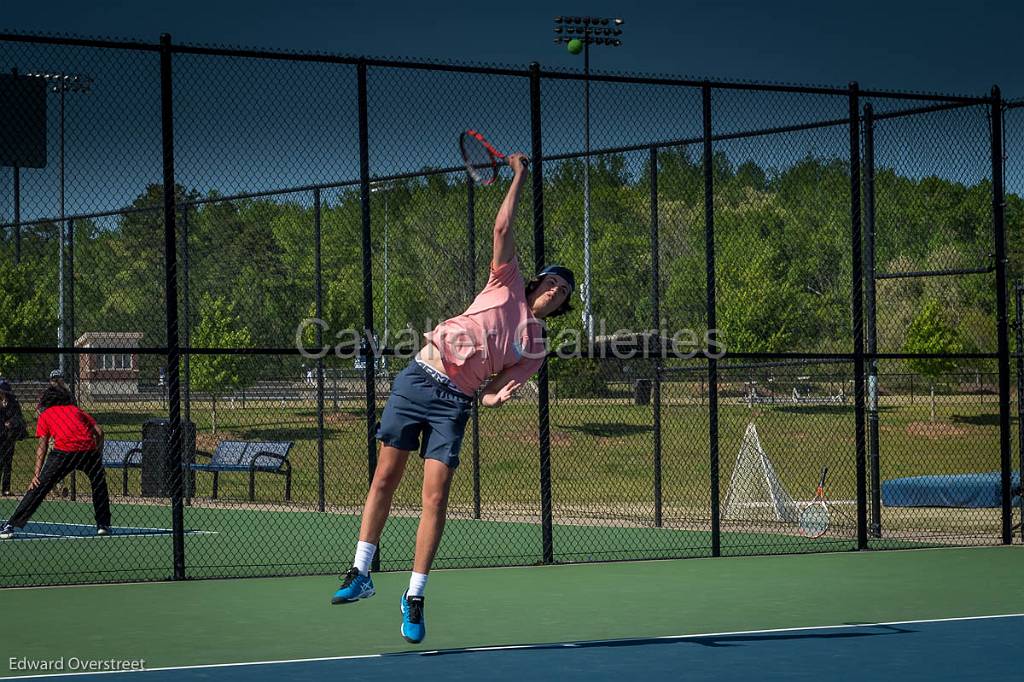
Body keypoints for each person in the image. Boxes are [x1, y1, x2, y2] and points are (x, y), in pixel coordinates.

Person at [330, 153, 575, 643]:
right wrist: (519, 175)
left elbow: (490, 390)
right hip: (419, 378)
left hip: (453, 404)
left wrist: (491, 400)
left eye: (564, 292)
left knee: (435, 499)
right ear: (535, 280)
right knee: (384, 478)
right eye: (552, 281)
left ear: (563, 306)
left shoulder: (537, 346)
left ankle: (415, 596)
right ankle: (360, 573)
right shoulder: (504, 281)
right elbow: (503, 224)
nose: (556, 290)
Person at [0, 385, 111, 539]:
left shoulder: (45, 415)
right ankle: (103, 525)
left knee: (39, 487)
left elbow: (42, 445)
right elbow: (99, 432)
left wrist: (36, 474)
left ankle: (11, 525)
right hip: (88, 450)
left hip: (63, 452)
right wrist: (97, 459)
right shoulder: (76, 410)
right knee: (99, 484)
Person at [0, 380, 28, 497]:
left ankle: (6, 489)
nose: (3, 393)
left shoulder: (12, 402)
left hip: (9, 436)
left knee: (8, 463)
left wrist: (11, 422)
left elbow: (18, 417)